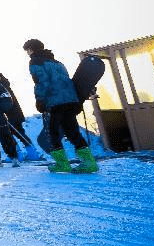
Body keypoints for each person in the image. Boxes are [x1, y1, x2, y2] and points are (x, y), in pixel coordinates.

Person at [23, 39, 98, 173]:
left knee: (52, 133)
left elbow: (41, 82)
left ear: (32, 49)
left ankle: (62, 164)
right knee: (72, 132)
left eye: (28, 50)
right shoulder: (57, 62)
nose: (27, 53)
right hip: (70, 100)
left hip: (54, 102)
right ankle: (89, 163)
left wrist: (40, 100)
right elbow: (66, 80)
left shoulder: (35, 62)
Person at [0, 71, 39, 160]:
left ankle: (19, 155)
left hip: (12, 115)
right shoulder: (4, 86)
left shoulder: (2, 87)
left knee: (11, 135)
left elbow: (7, 102)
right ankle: (32, 153)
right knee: (19, 133)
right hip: (14, 114)